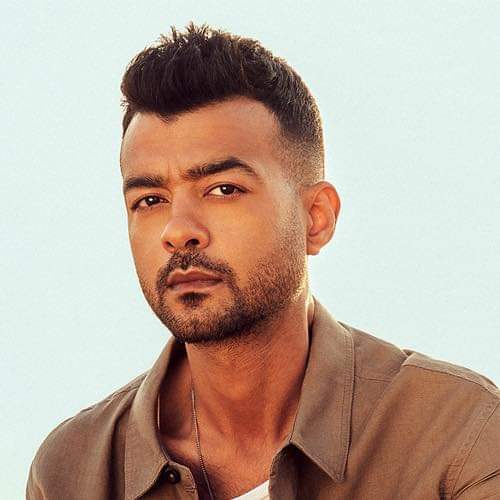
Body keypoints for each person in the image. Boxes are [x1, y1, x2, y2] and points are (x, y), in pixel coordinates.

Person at [26, 23, 499, 500]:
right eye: (150, 200)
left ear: (316, 218)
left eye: (223, 189)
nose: (177, 230)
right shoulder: (70, 472)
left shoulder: (459, 435)